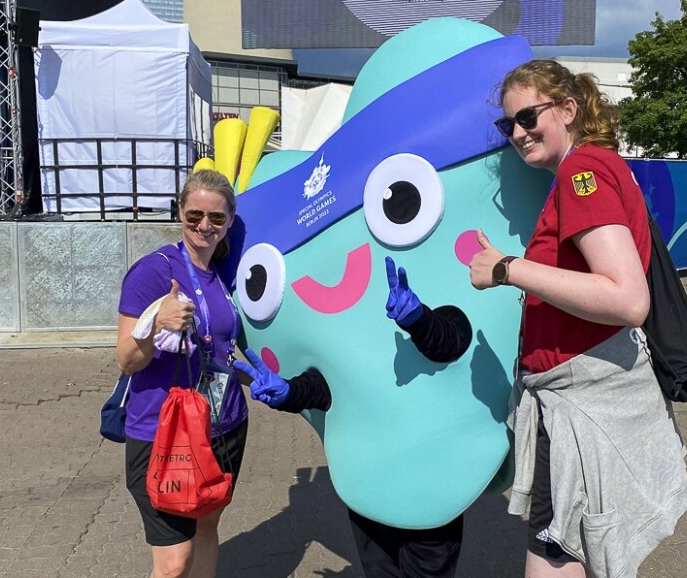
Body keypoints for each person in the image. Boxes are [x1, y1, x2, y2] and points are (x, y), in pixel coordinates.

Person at [468, 59, 687, 577]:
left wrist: (507, 268)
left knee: (556, 556)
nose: (518, 133)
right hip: (578, 398)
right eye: (508, 125)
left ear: (568, 110)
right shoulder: (589, 169)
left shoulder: (583, 171)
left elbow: (625, 298)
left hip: (581, 404)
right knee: (578, 551)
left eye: (528, 117)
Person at [234, 256, 471, 578]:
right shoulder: (342, 323)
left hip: (430, 472)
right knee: (379, 569)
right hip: (367, 472)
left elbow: (452, 341)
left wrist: (419, 320)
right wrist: (288, 392)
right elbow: (324, 387)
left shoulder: (444, 289)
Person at [116, 170, 248, 578]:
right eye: (194, 216)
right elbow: (126, 360)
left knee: (208, 525)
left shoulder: (223, 275)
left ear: (229, 220)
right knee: (174, 563)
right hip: (163, 431)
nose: (204, 226)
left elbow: (220, 350)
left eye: (216, 218)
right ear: (179, 212)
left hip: (223, 425)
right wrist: (158, 326)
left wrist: (263, 380)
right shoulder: (154, 272)